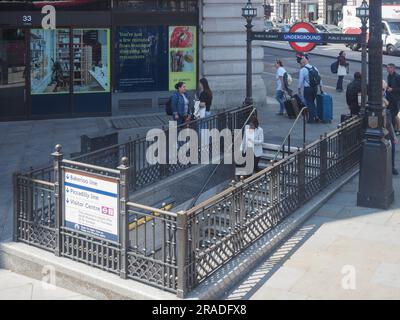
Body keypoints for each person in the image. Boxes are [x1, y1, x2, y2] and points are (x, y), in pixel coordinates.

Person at [298, 57, 323, 123]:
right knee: (312, 102)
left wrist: (299, 89)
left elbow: (300, 81)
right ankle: (316, 116)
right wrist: (321, 88)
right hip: (315, 88)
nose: (300, 65)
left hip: (308, 89)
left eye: (300, 63)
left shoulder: (303, 70)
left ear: (303, 63)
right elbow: (319, 78)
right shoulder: (314, 68)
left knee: (309, 103)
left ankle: (312, 118)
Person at [383, 80, 399, 175]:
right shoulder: (375, 96)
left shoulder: (389, 96)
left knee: (391, 146)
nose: (381, 91)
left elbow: (396, 109)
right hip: (379, 126)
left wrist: (390, 115)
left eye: (383, 89)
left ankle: (391, 166)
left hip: (389, 124)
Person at [386, 63, 400, 130]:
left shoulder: (397, 77)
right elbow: (390, 85)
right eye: (387, 68)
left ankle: (397, 129)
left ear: (393, 69)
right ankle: (393, 128)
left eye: (389, 68)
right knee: (391, 114)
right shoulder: (389, 76)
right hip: (390, 98)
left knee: (395, 114)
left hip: (396, 99)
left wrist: (393, 89)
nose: (387, 69)